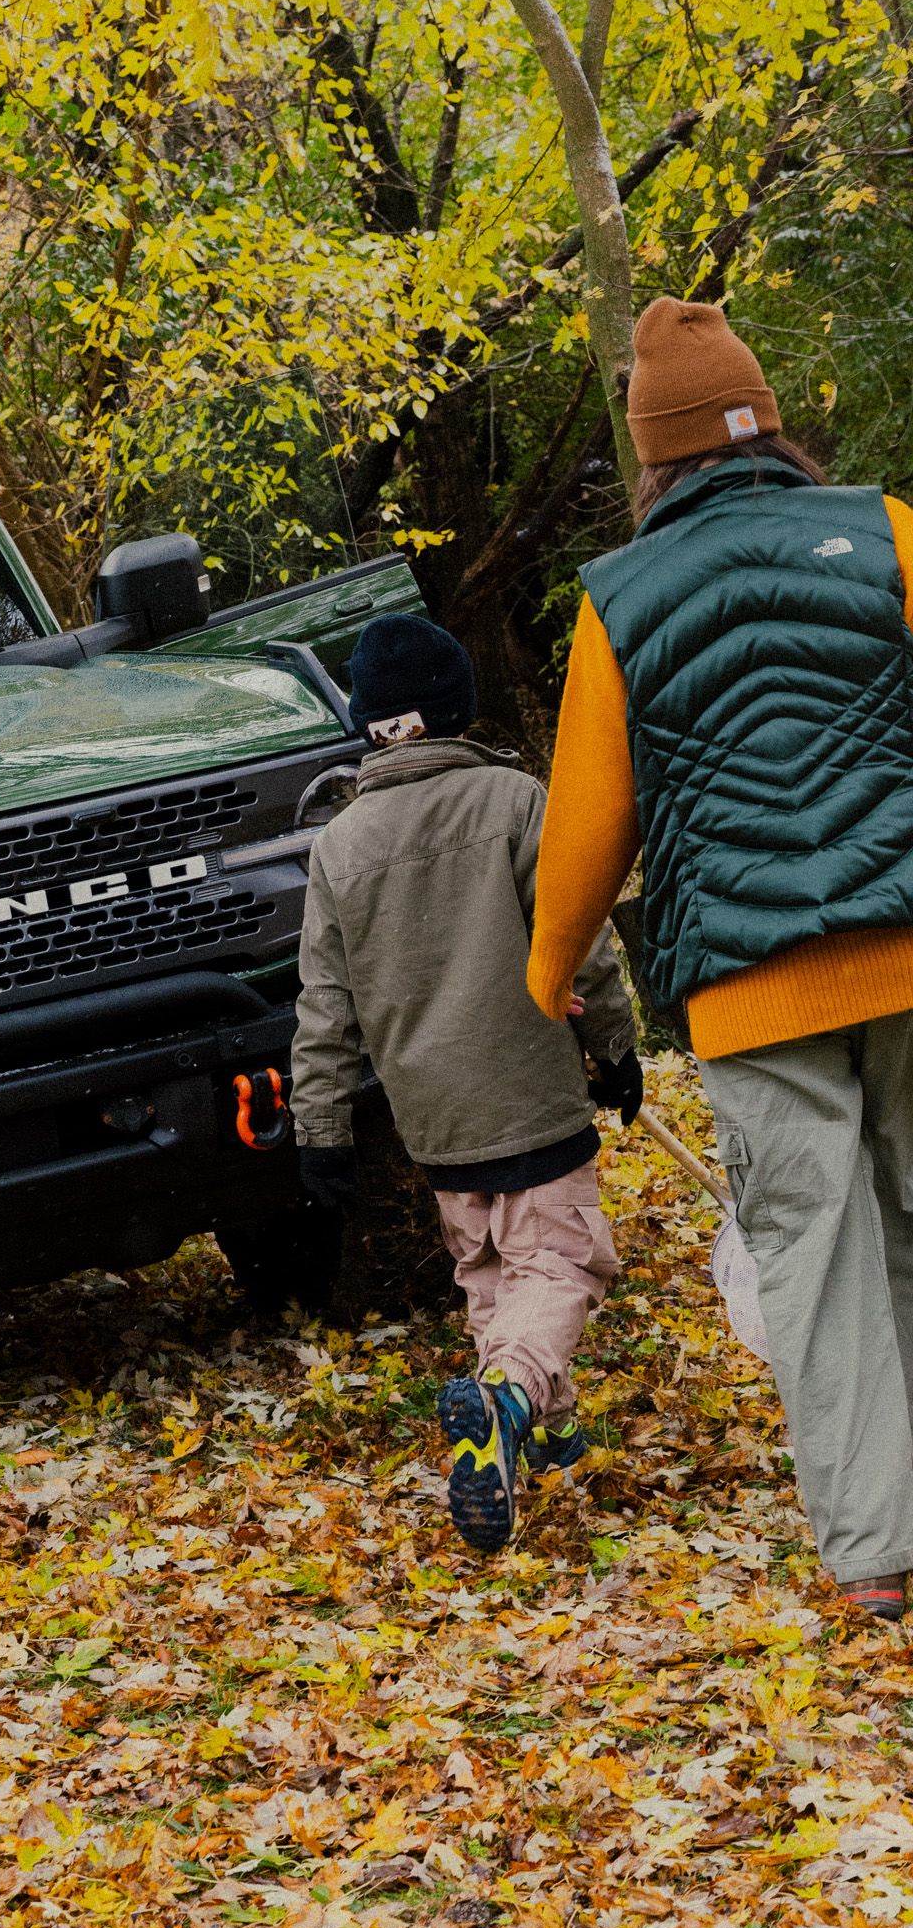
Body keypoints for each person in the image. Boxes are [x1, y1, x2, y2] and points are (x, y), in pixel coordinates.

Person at [528, 295, 913, 1622]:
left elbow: (587, 819)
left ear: (654, 455)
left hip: (749, 983)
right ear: (773, 429)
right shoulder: (889, 533)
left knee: (812, 1243)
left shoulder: (620, 598)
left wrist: (551, 970)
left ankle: (874, 1551)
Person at [290, 612, 641, 1551]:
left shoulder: (338, 847)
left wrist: (318, 1130)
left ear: (369, 722)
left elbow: (324, 1009)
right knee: (561, 1263)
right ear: (454, 707)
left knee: (489, 1277)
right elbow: (584, 940)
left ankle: (543, 1442)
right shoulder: (514, 801)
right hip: (526, 1086)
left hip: (434, 1119)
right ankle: (511, 1402)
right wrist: (615, 1048)